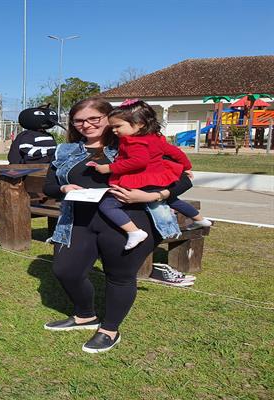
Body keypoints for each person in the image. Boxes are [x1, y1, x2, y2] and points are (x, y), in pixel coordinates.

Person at [42, 97, 192, 353]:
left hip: (130, 219)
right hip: (78, 220)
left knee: (119, 276)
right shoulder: (66, 150)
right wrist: (64, 187)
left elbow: (183, 179)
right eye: (79, 120)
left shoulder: (137, 143)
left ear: (109, 118)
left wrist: (152, 196)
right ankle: (85, 316)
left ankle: (109, 329)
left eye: (93, 119)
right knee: (66, 270)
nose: (86, 125)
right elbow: (49, 187)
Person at [87, 99, 211, 249]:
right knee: (173, 200)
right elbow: (176, 152)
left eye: (118, 126)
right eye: (112, 127)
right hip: (157, 180)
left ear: (140, 124)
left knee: (108, 205)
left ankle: (134, 231)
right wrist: (186, 167)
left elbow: (139, 161)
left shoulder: (133, 142)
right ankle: (200, 219)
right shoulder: (156, 138)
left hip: (141, 181)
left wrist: (109, 168)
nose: (114, 130)